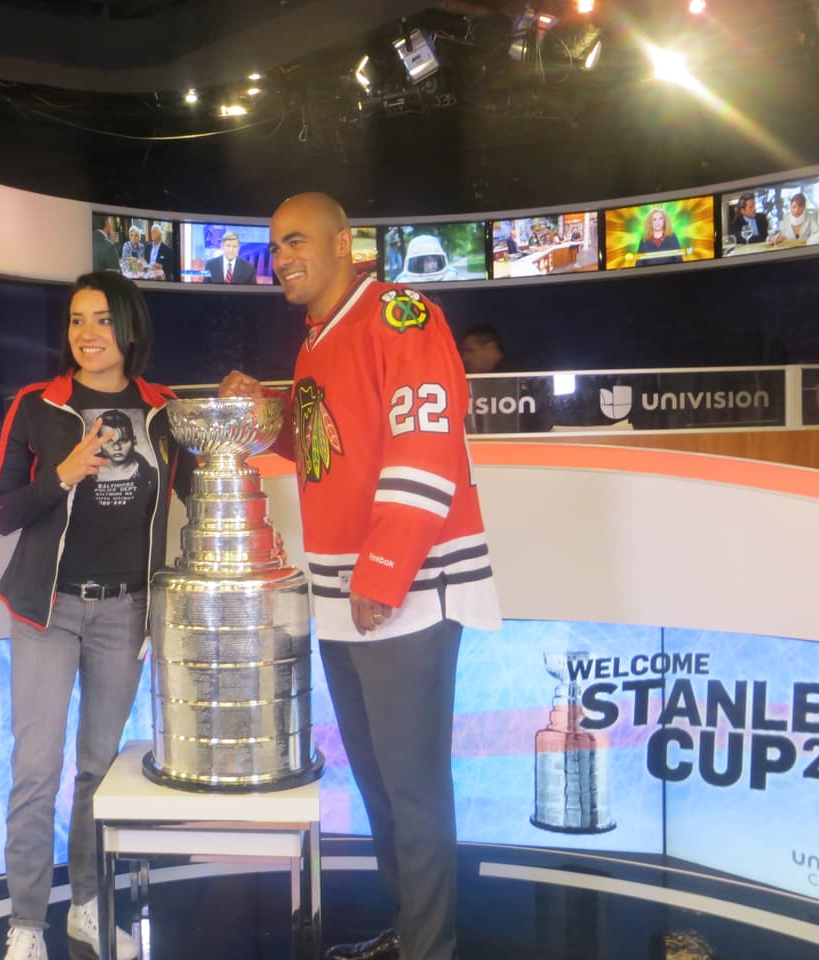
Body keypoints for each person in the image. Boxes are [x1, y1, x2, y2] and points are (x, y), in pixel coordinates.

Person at [220, 193, 501, 960]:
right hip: (344, 595)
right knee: (379, 786)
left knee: (412, 788)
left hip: (402, 591)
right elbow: (326, 450)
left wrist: (384, 570)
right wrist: (266, 413)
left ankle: (431, 948)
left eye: (297, 241)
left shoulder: (399, 316)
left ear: (345, 243)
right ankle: (410, 934)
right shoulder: (317, 341)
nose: (282, 258)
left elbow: (427, 446)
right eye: (275, 247)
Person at [0, 270, 191, 960]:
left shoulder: (165, 411)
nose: (87, 334)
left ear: (129, 327)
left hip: (125, 614)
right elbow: (1, 512)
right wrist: (65, 470)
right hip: (48, 611)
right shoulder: (38, 405)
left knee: (98, 770)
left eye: (102, 319)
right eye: (76, 320)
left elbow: (200, 488)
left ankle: (85, 905)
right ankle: (23, 923)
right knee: (36, 770)